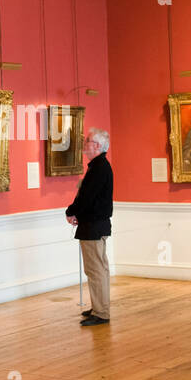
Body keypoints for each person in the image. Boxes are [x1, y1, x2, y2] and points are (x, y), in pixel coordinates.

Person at [67, 128, 113, 326]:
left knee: (95, 271)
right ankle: (99, 307)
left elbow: (87, 198)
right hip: (96, 224)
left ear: (97, 145)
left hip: (93, 226)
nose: (85, 144)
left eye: (88, 141)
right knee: (100, 269)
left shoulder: (99, 167)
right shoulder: (99, 166)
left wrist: (71, 211)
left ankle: (101, 312)